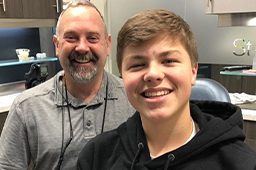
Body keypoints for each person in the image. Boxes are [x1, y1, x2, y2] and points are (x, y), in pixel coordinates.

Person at [77, 9, 256, 170]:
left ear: (193, 71)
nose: (153, 74)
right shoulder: (97, 156)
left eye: (169, 61)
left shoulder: (242, 162)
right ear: (122, 76)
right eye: (138, 64)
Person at [0, 1, 135, 169]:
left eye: (92, 38)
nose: (82, 48)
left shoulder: (134, 98)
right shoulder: (26, 108)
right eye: (71, 37)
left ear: (107, 45)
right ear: (57, 45)